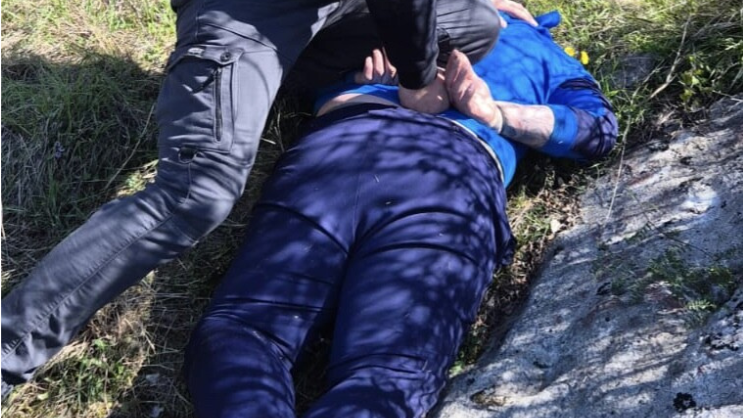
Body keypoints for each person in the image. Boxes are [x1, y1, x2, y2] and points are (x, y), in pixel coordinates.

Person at [0, 0, 540, 398]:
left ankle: (288, 76)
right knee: (197, 192)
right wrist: (418, 79)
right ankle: (9, 350)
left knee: (477, 24)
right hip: (247, 11)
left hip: (333, 10)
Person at [184, 9, 618, 418]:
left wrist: (493, 112)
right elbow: (594, 130)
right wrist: (349, 73)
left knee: (246, 330)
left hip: (356, 151)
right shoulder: (383, 12)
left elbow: (597, 131)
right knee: (391, 374)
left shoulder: (544, 51)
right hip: (436, 172)